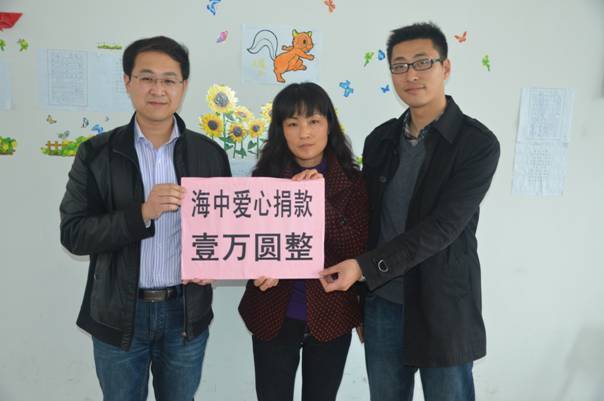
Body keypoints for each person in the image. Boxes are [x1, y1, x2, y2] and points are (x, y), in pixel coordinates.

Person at [319, 22, 501, 401]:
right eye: (399, 66)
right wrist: (361, 297)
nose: (411, 75)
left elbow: (443, 227)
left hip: (443, 305)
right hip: (383, 304)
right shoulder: (380, 139)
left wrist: (365, 268)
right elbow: (366, 219)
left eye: (422, 62)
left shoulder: (477, 144)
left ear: (445, 67)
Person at [60, 36, 231, 401]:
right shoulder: (96, 153)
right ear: (128, 81)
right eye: (147, 78)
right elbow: (74, 234)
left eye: (169, 80)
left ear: (183, 86)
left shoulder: (210, 154)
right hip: (118, 315)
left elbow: (227, 228)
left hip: (185, 313)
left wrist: (218, 262)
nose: (158, 89)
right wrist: (141, 214)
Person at [238, 82, 368, 401]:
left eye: (314, 121)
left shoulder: (354, 182)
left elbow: (357, 249)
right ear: (281, 130)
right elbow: (246, 245)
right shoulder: (263, 181)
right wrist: (257, 267)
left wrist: (316, 199)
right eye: (293, 124)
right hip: (272, 313)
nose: (304, 133)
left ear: (329, 125)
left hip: (331, 316)